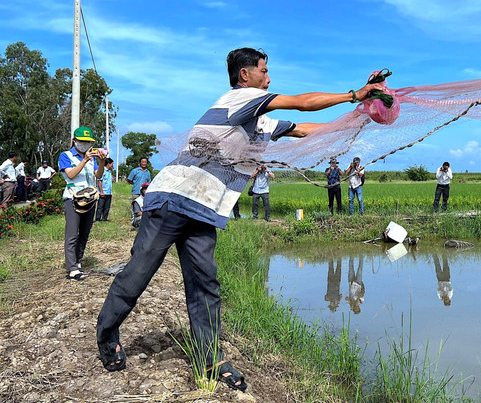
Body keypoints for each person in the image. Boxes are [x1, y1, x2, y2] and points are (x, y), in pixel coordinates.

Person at [95, 47, 384, 390]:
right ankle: (107, 334)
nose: (269, 78)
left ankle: (211, 360)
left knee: (205, 284)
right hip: (173, 198)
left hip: (204, 208)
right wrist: (353, 95)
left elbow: (305, 129)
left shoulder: (260, 119)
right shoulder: (240, 98)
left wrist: (360, 117)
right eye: (264, 70)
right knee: (139, 272)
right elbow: (301, 103)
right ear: (245, 75)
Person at [59, 126, 105, 281]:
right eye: (82, 141)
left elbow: (98, 175)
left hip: (90, 199)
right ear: (75, 140)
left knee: (85, 232)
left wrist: (101, 161)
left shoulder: (92, 159)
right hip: (73, 199)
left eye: (88, 142)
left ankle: (78, 261)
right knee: (72, 234)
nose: (85, 144)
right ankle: (71, 268)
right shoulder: (66, 156)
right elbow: (71, 175)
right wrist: (84, 160)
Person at [95, 158, 114, 222]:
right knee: (100, 207)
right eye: (112, 164)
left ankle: (104, 219)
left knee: (107, 207)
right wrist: (101, 191)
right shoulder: (102, 171)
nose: (112, 165)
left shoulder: (109, 172)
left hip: (109, 192)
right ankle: (98, 219)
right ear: (108, 164)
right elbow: (99, 181)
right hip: (103, 192)